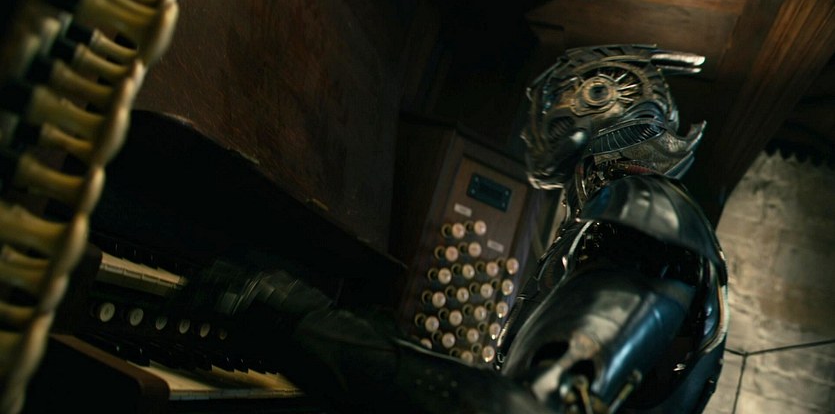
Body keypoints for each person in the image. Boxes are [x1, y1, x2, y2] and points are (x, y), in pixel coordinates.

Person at [192, 44, 729, 414]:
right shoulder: (648, 215)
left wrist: (298, 321)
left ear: (601, 101)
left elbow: (527, 408)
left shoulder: (647, 211)